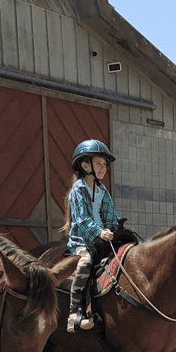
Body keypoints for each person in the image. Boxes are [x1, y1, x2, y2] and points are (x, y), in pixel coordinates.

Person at [62, 139, 121, 333]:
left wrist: (117, 228)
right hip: (83, 240)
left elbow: (111, 214)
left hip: (103, 238)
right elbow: (81, 219)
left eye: (105, 164)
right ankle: (74, 314)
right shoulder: (77, 190)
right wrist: (99, 232)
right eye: (99, 164)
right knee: (85, 262)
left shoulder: (103, 190)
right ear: (85, 165)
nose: (103, 168)